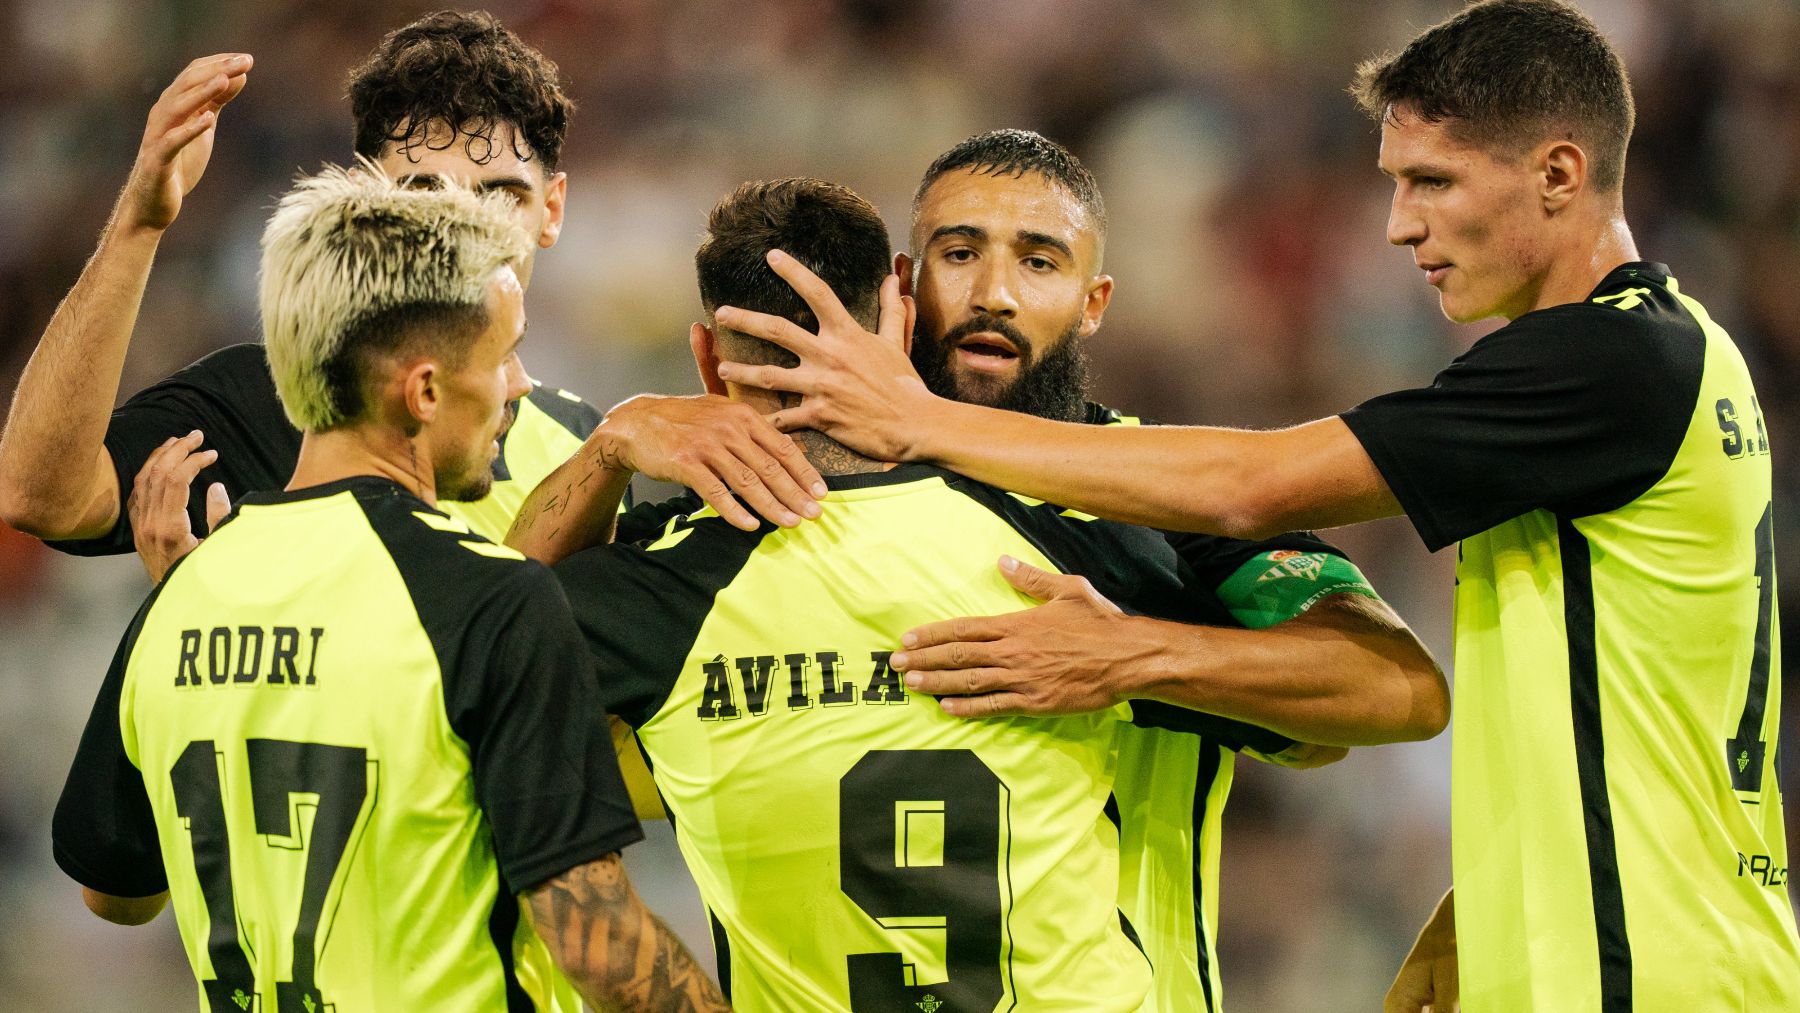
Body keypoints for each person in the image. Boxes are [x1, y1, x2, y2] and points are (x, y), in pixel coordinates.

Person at [706, 2, 1800, 1010]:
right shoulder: (1659, 359)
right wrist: (1498, 901)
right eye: (960, 252)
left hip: (1639, 971)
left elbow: (1256, 494)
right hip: (1637, 945)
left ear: (1558, 173)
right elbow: (1636, 696)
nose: (1396, 226)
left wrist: (926, 428)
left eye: (1431, 182)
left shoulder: (1607, 362)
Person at [522, 176, 1441, 1010]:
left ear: (1095, 305)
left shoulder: (1158, 499)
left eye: (1038, 260)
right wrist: (615, 441)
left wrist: (1134, 654)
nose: (994, 291)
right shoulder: (1095, 542)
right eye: (961, 254)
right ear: (904, 298)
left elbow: (465, 663)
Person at [51, 167, 728, 1012]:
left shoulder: (178, 595)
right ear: (426, 390)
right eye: (504, 353)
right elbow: (598, 943)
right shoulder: (489, 597)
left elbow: (115, 892)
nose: (518, 385)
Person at [0, 11, 816, 571]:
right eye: (422, 192)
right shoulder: (274, 397)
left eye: (498, 192)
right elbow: (39, 494)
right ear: (361, 201)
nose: (462, 226)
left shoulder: (581, 442)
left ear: (553, 210)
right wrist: (141, 225)